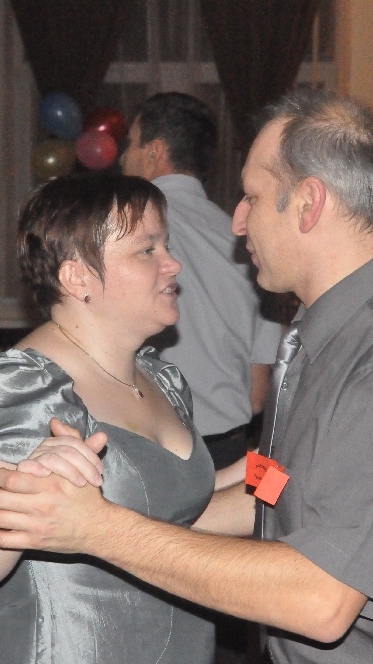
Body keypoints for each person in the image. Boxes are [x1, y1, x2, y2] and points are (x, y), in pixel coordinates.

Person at [0, 88, 373, 663]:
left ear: (309, 204)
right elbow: (282, 483)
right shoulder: (334, 334)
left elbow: (320, 598)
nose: (237, 221)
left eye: (252, 197)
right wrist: (111, 513)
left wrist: (102, 530)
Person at [0, 174, 218, 663]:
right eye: (147, 250)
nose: (172, 264)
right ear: (77, 277)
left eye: (166, 245)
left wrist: (276, 472)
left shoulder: (162, 381)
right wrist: (21, 495)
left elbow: (180, 514)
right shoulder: (20, 389)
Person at [120, 91, 280, 470]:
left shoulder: (121, 234)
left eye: (130, 144)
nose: (122, 158)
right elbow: (258, 396)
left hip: (151, 455)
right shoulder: (252, 245)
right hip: (232, 455)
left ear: (155, 151)